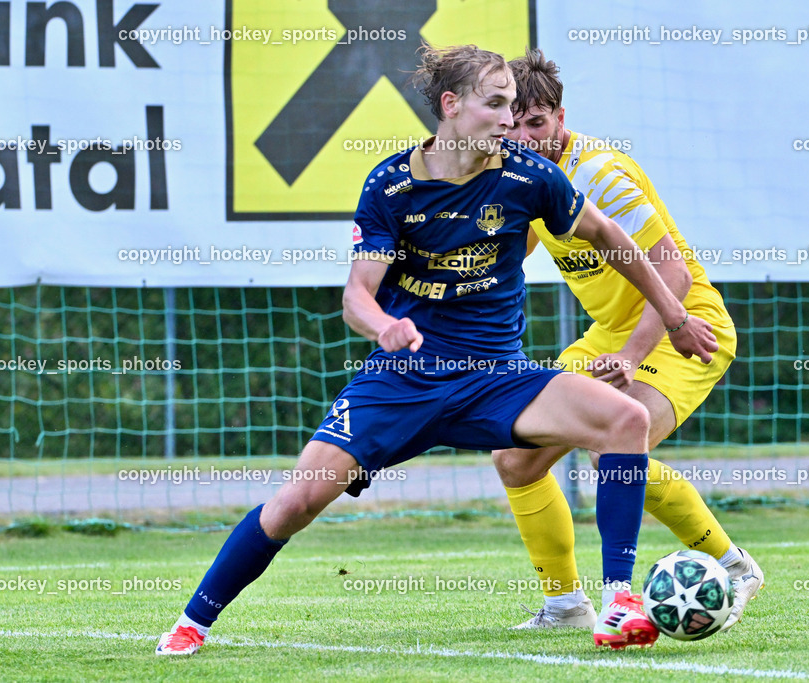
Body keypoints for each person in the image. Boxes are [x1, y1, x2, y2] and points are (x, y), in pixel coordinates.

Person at [156, 43, 718, 656]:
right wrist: (382, 328)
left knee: (626, 418)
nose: (509, 120)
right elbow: (356, 296)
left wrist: (673, 316)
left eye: (516, 108)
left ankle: (618, 601)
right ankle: (191, 624)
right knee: (297, 500)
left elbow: (612, 238)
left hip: (497, 379)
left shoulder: (529, 178)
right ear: (451, 106)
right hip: (403, 379)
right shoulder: (392, 186)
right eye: (496, 105)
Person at [493, 48, 763, 633]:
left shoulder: (598, 175)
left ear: (560, 117)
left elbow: (673, 273)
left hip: (683, 325)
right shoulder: (521, 176)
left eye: (536, 123)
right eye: (513, 126)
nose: (526, 138)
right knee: (515, 457)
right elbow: (511, 253)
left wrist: (630, 357)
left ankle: (732, 565)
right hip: (610, 334)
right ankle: (566, 605)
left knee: (609, 446)